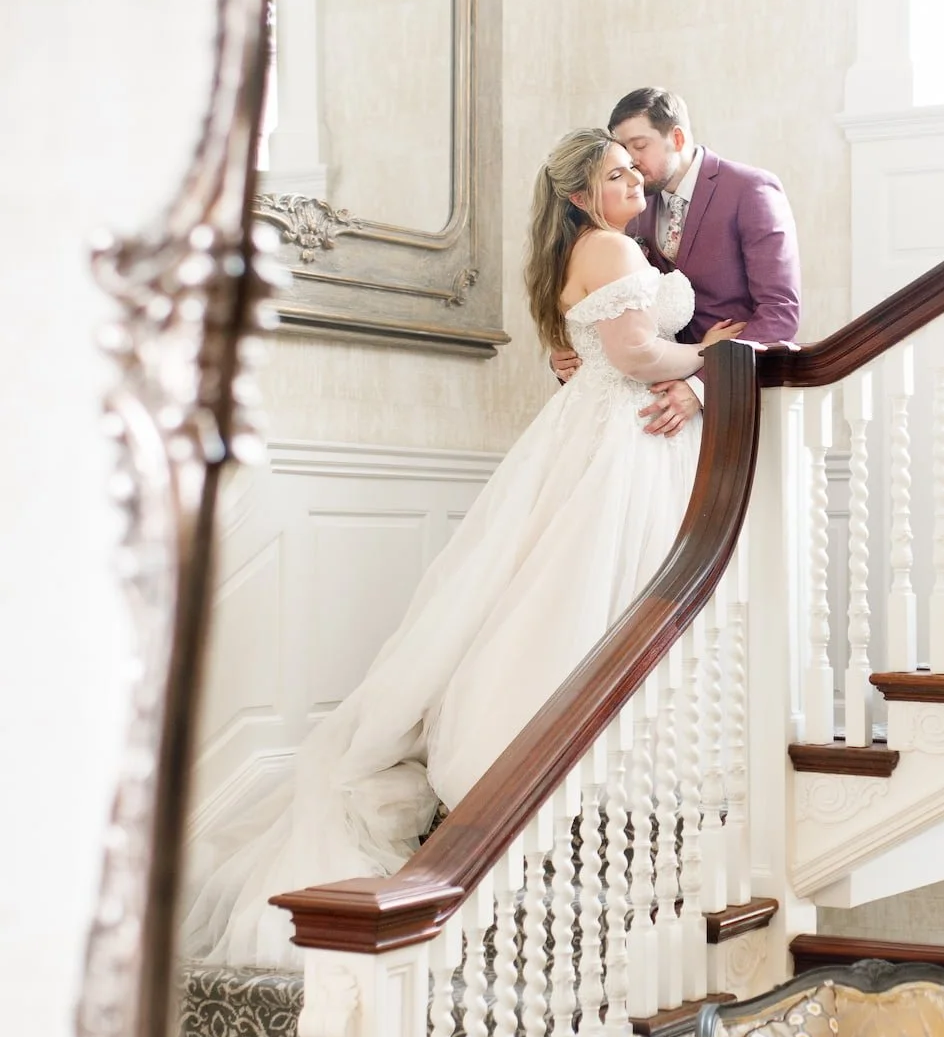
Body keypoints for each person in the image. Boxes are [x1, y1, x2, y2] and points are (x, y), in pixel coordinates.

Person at [187, 130, 738, 967]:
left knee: (572, 589)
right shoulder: (611, 245)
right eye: (616, 174)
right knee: (579, 593)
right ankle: (539, 764)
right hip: (619, 434)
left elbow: (596, 349)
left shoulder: (591, 246)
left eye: (634, 170)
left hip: (604, 429)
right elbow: (630, 354)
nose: (633, 181)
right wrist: (720, 359)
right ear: (584, 196)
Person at [553, 90, 801, 437]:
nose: (632, 163)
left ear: (677, 137)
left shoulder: (749, 190)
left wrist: (701, 387)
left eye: (639, 146)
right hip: (645, 408)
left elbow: (780, 310)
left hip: (731, 401)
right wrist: (569, 354)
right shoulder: (632, 208)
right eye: (623, 150)